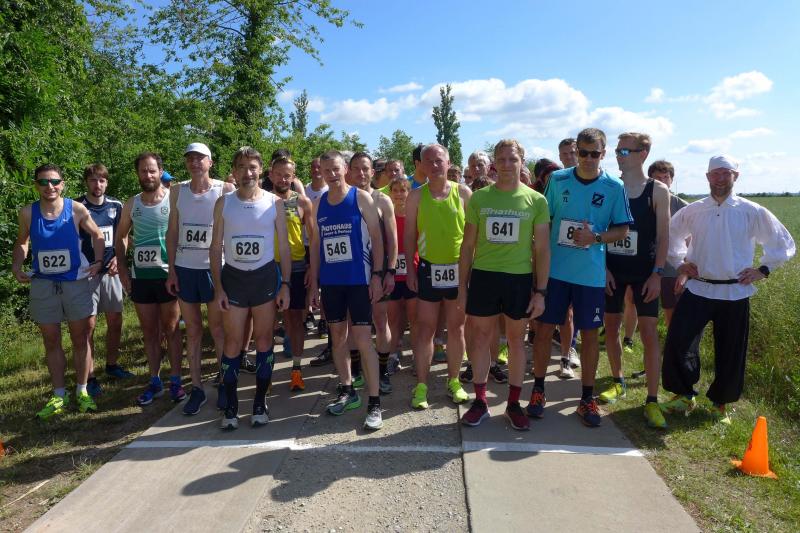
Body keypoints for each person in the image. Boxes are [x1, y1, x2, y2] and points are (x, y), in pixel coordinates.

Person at [661, 155, 795, 425]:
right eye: (715, 174)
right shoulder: (694, 210)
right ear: (707, 177)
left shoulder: (751, 211)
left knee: (731, 349)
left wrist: (763, 269)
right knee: (679, 341)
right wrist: (679, 262)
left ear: (736, 176)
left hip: (735, 292)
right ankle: (683, 395)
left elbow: (782, 242)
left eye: (726, 173)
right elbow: (670, 234)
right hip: (698, 288)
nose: (720, 179)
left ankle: (719, 404)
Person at [531, 128, 633, 427]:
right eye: (583, 153)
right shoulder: (558, 179)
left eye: (594, 153)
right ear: (576, 152)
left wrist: (596, 237)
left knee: (589, 334)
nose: (588, 159)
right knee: (544, 329)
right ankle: (538, 390)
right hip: (555, 272)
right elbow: (544, 221)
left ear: (604, 154)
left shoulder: (614, 186)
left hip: (590, 275)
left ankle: (587, 398)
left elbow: (623, 229)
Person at [458, 140, 550, 430]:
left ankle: (512, 404)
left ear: (522, 161)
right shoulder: (480, 198)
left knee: (515, 341)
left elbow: (542, 249)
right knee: (480, 339)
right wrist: (461, 286)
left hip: (518, 278)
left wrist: (540, 292)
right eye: (501, 159)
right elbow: (468, 245)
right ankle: (480, 401)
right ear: (494, 164)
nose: (507, 165)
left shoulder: (536, 200)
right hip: (484, 276)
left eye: (513, 159)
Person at [12, 163, 105, 418]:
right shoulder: (28, 213)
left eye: (54, 181)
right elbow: (22, 242)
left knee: (80, 338)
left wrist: (98, 261)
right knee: (51, 340)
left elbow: (98, 235)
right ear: (36, 185)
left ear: (62, 184)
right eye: (43, 182)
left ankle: (82, 390)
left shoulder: (76, 209)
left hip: (75, 281)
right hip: (43, 283)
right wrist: (17, 265)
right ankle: (59, 395)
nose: (49, 187)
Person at [210, 147, 292, 429]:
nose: (248, 173)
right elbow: (215, 247)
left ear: (261, 170)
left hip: (264, 278)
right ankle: (231, 406)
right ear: (234, 171)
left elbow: (284, 247)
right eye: (242, 167)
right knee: (233, 343)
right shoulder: (224, 203)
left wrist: (285, 284)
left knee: (265, 340)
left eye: (253, 167)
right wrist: (218, 288)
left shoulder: (274, 203)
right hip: (234, 279)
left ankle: (259, 402)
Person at [309, 150, 387, 430]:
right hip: (332, 283)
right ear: (321, 172)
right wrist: (314, 283)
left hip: (359, 281)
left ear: (345, 169)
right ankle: (347, 389)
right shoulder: (318, 204)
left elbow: (377, 239)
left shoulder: (361, 198)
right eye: (326, 170)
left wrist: (377, 275)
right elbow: (315, 246)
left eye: (336, 169)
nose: (331, 174)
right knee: (338, 339)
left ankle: (375, 402)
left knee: (364, 340)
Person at [596, 133, 670, 429]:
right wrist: (603, 269)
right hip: (613, 270)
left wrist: (657, 274)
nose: (619, 155)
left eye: (625, 150)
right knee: (611, 327)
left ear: (643, 153)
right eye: (617, 150)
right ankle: (618, 382)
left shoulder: (657, 190)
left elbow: (664, 236)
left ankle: (652, 400)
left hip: (645, 273)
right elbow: (600, 230)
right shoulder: (609, 187)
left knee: (649, 333)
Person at [166, 143, 235, 413]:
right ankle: (196, 388)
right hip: (185, 268)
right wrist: (172, 270)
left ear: (210, 162)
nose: (194, 163)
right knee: (193, 331)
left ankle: (224, 384)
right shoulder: (177, 191)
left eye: (200, 158)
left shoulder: (224, 189)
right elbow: (172, 231)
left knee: (218, 330)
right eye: (190, 159)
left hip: (214, 269)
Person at [404, 143, 472, 410]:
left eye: (439, 160)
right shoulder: (415, 197)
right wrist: (411, 270)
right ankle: (421, 385)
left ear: (448, 162)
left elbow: (473, 235)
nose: (434, 165)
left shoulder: (463, 192)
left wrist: (470, 271)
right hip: (428, 269)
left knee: (456, 328)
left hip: (458, 269)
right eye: (428, 161)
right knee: (425, 329)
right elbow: (409, 235)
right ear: (421, 165)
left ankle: (454, 381)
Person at [116, 153, 185, 407]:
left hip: (168, 276)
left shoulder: (173, 199)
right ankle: (154, 381)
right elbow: (121, 237)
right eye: (143, 171)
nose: (148, 175)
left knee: (172, 329)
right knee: (149, 332)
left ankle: (176, 380)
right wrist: (123, 269)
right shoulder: (131, 204)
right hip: (141, 277)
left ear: (160, 171)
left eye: (152, 170)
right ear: (138, 174)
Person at [346, 152, 398, 394]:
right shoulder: (344, 198)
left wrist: (390, 271)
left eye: (365, 168)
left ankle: (383, 370)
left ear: (372, 171)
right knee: (352, 322)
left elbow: (392, 240)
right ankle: (356, 370)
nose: (361, 173)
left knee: (380, 320)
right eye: (356, 168)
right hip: (352, 270)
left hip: (377, 269)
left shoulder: (382, 200)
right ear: (349, 171)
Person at [77, 164, 131, 389]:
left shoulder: (116, 205)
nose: (97, 184)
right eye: (92, 180)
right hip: (86, 273)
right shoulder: (77, 207)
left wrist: (119, 258)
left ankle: (112, 364)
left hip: (111, 271)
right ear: (86, 182)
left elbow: (124, 236)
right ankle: (89, 377)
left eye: (101, 180)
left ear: (106, 182)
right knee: (88, 326)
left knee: (115, 321)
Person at [270, 156, 315, 391]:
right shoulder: (262, 200)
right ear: (270, 175)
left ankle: (296, 370)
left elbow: (314, 239)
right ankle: (265, 374)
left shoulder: (303, 202)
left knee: (295, 320)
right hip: (267, 266)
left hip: (296, 266)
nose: (283, 179)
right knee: (266, 323)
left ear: (293, 177)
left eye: (287, 175)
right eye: (278, 174)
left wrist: (312, 268)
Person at [648, 160, 687, 327]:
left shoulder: (682, 206)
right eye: (658, 178)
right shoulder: (641, 202)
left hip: (671, 269)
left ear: (672, 180)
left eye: (666, 177)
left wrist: (684, 272)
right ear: (650, 180)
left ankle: (674, 343)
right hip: (645, 267)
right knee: (643, 312)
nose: (663, 182)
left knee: (674, 313)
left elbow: (691, 242)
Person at [386, 176, 418, 374]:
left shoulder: (416, 217)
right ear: (390, 193)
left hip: (412, 273)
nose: (399, 194)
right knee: (393, 318)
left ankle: (416, 356)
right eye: (395, 190)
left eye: (403, 190)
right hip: (393, 275)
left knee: (415, 319)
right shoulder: (386, 217)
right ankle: (393, 355)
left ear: (409, 192)